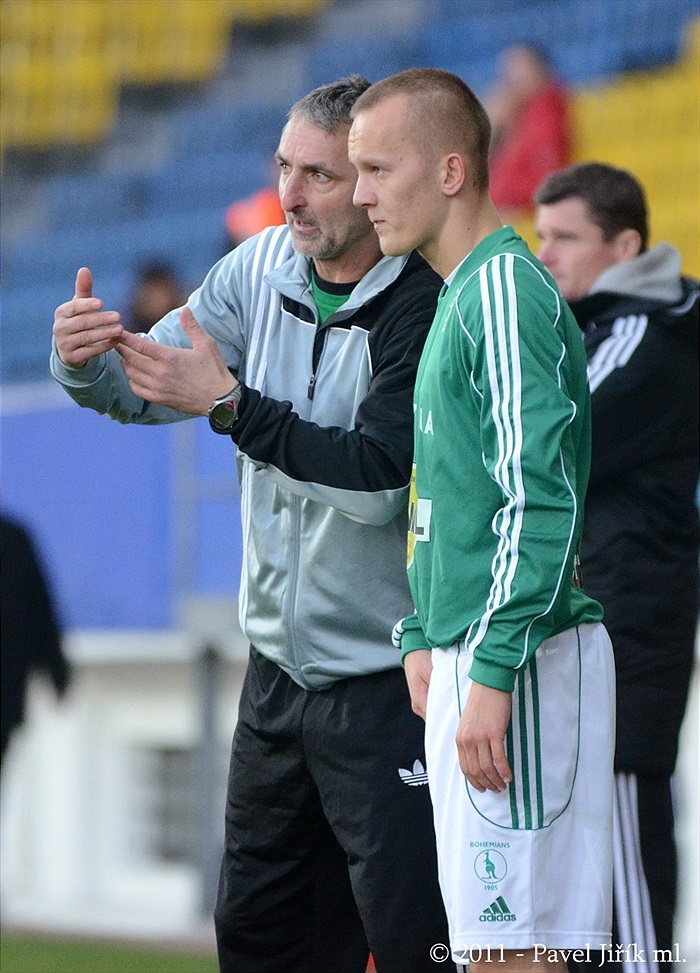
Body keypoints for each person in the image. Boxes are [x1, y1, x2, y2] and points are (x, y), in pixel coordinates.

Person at [50, 75, 449, 973]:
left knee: (411, 948)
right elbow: (152, 378)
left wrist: (232, 405)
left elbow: (377, 480)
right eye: (283, 166)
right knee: (258, 941)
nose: (292, 194)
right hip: (273, 685)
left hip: (392, 688)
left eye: (319, 173)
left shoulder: (422, 300)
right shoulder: (257, 265)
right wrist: (81, 359)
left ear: (374, 182)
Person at [349, 68, 615, 973]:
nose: (360, 195)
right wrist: (422, 628)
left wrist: (493, 665)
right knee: (489, 953)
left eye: (379, 169)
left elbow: (538, 496)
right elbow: (445, 491)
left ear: (452, 171)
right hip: (473, 655)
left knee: (517, 956)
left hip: (521, 663)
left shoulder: (502, 291)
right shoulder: (460, 296)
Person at [534, 161, 699, 973]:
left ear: (626, 244)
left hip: (628, 636)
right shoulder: (602, 328)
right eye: (540, 236)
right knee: (585, 880)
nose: (546, 254)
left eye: (565, 238)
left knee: (626, 880)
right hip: (596, 631)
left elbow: (548, 446)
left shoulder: (641, 335)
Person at [1, 512, 71, 766]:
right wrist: (58, 672)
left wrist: (58, 671)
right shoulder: (14, 539)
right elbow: (40, 611)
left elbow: (38, 609)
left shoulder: (14, 540)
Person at [485, 44, 571, 216]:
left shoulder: (548, 108)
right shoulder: (515, 113)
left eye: (518, 68)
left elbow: (543, 176)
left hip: (525, 212)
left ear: (539, 70)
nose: (510, 78)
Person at [126, 261, 189, 334]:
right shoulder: (129, 335)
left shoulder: (185, 332)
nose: (158, 301)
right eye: (153, 294)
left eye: (161, 293)